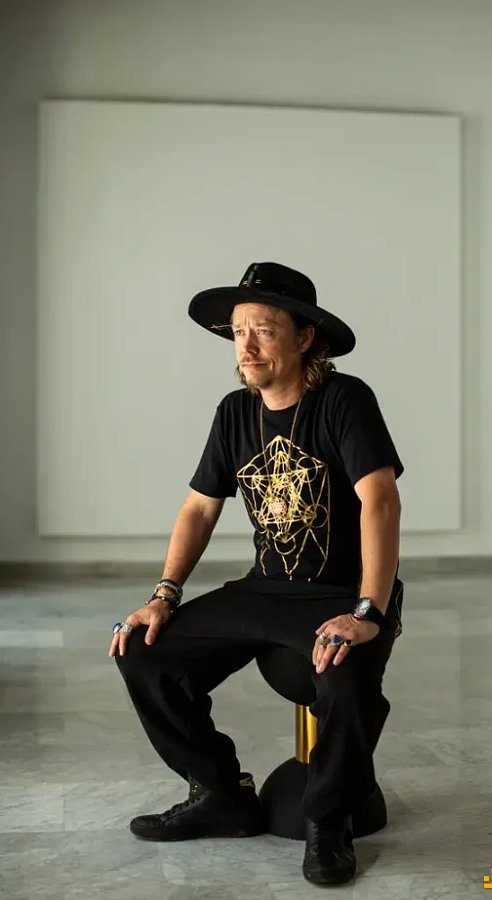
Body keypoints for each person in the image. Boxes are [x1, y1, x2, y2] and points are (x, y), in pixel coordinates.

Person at [110, 261, 404, 886]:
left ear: (305, 338)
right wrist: (163, 595)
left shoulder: (345, 400)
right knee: (142, 649)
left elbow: (380, 501)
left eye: (264, 331)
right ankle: (219, 793)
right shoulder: (233, 412)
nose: (245, 346)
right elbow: (199, 507)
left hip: (341, 594)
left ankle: (327, 821)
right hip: (265, 589)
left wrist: (368, 612)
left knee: (344, 677)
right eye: (238, 331)